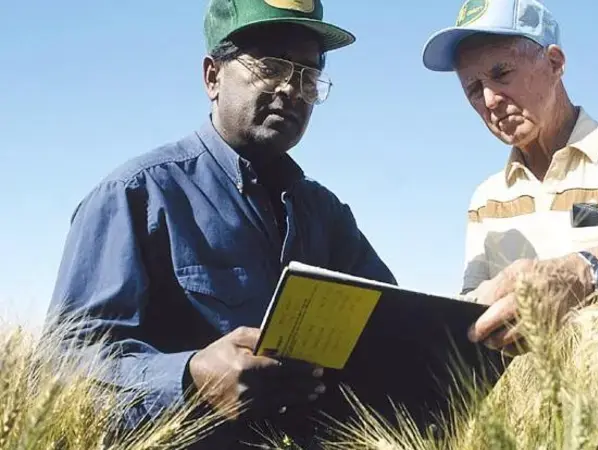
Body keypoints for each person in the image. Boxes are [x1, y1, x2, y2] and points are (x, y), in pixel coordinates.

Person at [45, 0, 396, 447]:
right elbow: (63, 365)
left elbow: (391, 329)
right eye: (270, 66)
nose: (290, 89)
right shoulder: (136, 195)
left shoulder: (328, 215)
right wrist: (188, 378)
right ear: (212, 76)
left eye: (307, 75)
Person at [421, 0, 598, 355]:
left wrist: (578, 277)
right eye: (474, 89)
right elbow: (473, 313)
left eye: (501, 73)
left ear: (555, 63)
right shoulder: (485, 199)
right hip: (533, 408)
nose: (490, 99)